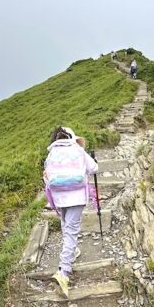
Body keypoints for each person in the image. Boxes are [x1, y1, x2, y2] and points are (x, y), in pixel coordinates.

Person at [44, 126, 98, 297]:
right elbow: (94, 168)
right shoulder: (78, 149)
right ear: (72, 137)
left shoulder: (52, 153)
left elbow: (47, 174)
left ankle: (72, 251)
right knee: (72, 230)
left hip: (59, 196)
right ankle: (63, 272)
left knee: (65, 224)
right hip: (76, 196)